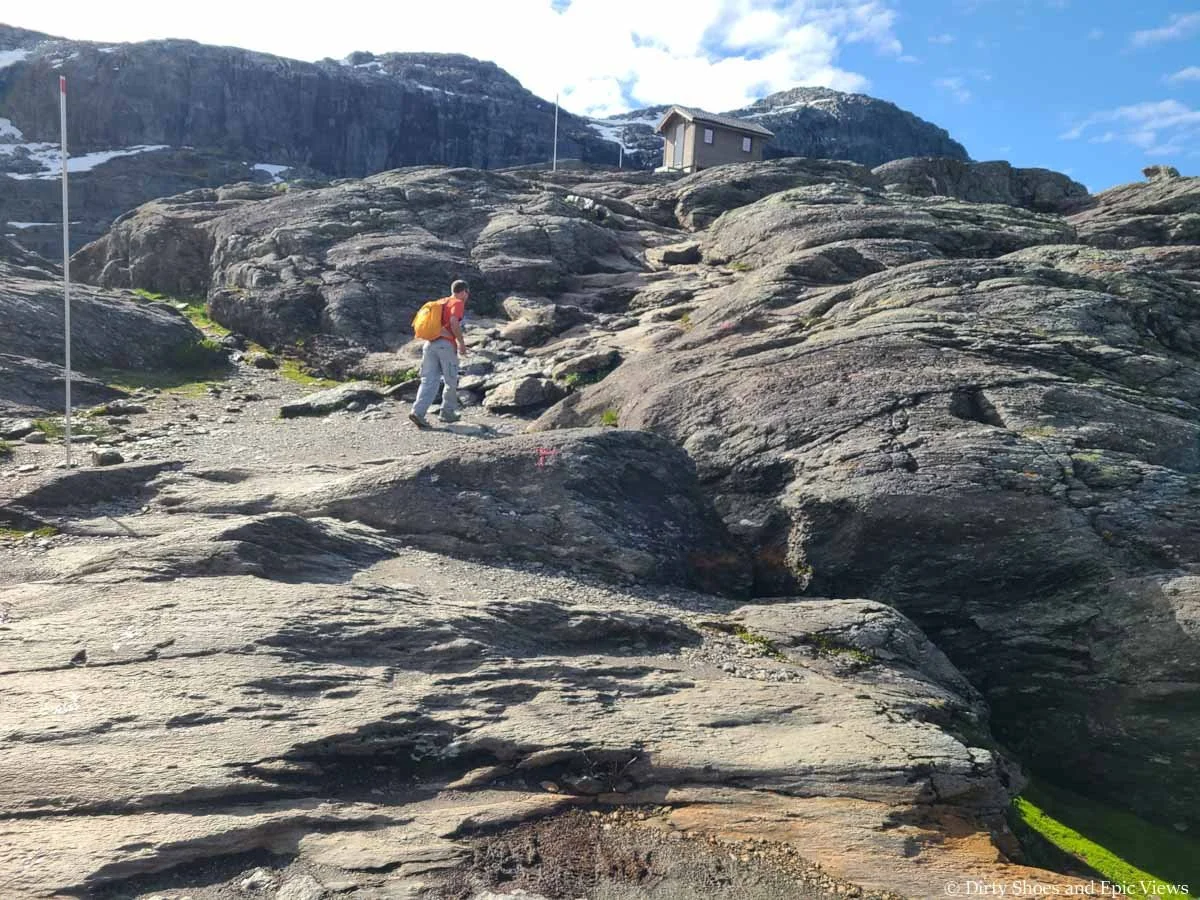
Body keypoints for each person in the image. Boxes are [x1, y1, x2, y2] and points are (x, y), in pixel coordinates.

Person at [410, 279, 469, 428]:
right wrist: (461, 343)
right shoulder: (457, 302)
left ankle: (418, 412)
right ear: (463, 292)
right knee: (451, 379)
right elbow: (454, 321)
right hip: (445, 345)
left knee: (428, 380)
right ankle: (447, 413)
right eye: (467, 293)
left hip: (429, 344)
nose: (467, 296)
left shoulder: (441, 302)